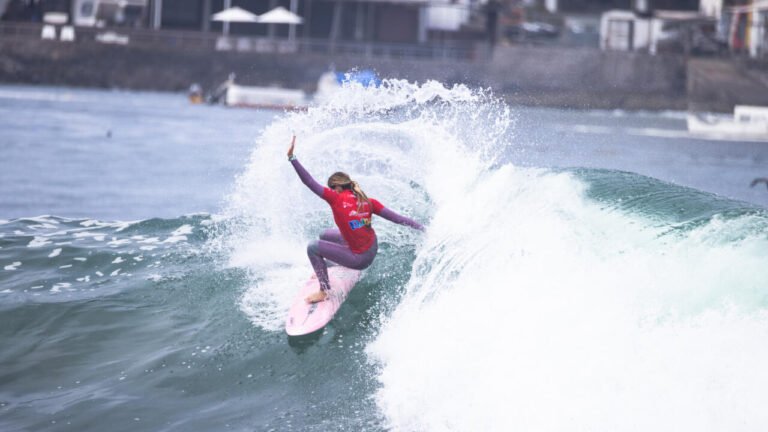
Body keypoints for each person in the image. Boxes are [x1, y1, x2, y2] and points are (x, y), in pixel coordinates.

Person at [287, 135, 424, 303]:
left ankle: (324, 291)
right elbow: (398, 218)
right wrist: (424, 229)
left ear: (337, 187)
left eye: (332, 188)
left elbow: (308, 181)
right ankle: (334, 259)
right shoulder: (368, 201)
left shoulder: (335, 198)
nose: (331, 191)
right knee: (324, 235)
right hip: (372, 247)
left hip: (360, 259)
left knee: (313, 247)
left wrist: (292, 158)